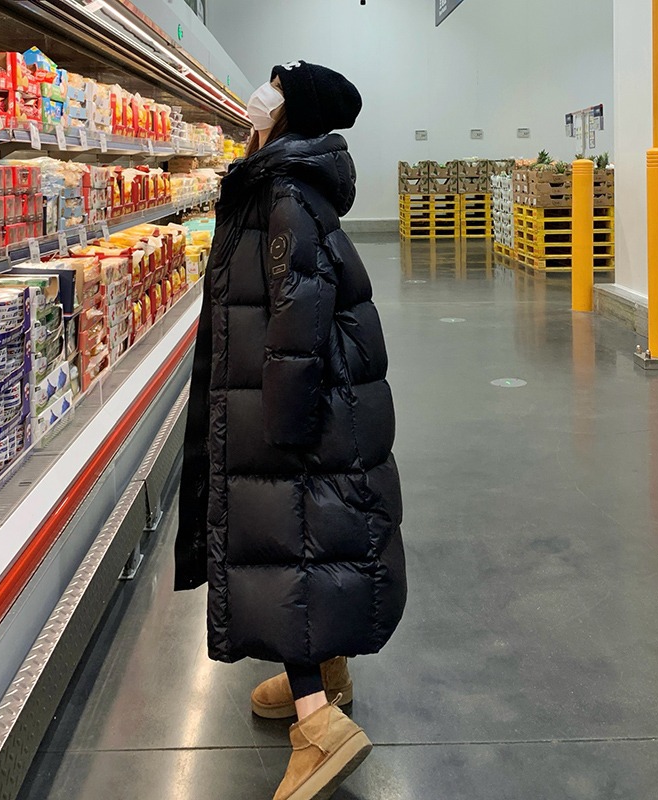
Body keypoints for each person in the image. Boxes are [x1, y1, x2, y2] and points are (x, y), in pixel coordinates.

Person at [175, 60, 407, 800]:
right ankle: (327, 671)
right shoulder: (283, 184)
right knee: (302, 544)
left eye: (274, 91)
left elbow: (299, 316)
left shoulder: (283, 193)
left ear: (290, 114)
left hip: (287, 409)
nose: (259, 99)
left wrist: (283, 423)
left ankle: (317, 725)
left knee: (286, 545)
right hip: (283, 397)